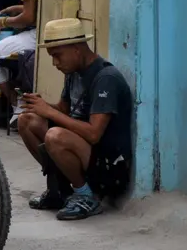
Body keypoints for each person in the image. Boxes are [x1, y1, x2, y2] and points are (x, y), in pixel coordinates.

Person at [18, 18, 132, 221]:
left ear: (77, 49)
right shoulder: (74, 73)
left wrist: (50, 113)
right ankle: (59, 190)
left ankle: (86, 196)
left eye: (58, 56)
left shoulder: (106, 78)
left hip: (108, 166)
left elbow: (94, 134)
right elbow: (63, 110)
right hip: (86, 152)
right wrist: (41, 106)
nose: (55, 63)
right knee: (27, 120)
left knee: (55, 136)